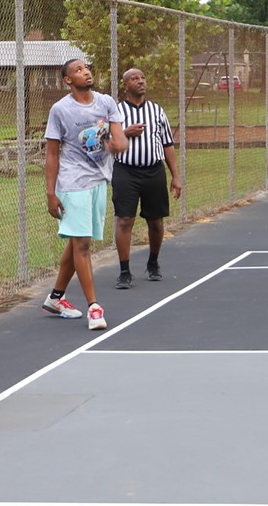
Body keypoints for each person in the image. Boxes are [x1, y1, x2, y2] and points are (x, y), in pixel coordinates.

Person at [42, 59, 129, 331]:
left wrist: (117, 144)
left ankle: (56, 297)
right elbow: (52, 153)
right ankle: (94, 306)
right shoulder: (60, 110)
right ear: (68, 80)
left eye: (87, 68)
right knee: (82, 244)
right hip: (72, 181)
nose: (86, 71)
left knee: (78, 240)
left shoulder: (106, 102)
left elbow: (120, 139)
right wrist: (50, 193)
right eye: (78, 70)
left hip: (99, 179)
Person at [112, 67, 182, 289]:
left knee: (156, 220)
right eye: (134, 79)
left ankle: (153, 263)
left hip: (154, 170)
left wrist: (175, 176)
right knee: (124, 220)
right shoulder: (116, 112)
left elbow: (167, 144)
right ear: (126, 85)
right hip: (125, 171)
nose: (140, 81)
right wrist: (125, 133)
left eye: (142, 77)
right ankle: (124, 271)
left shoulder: (157, 111)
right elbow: (105, 142)